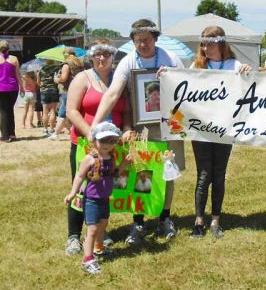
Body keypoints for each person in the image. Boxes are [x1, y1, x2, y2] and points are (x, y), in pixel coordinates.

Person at [91, 19, 184, 245]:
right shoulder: (128, 61)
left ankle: (165, 217)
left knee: (168, 173)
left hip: (171, 125)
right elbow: (113, 93)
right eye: (138, 40)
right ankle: (139, 221)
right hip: (143, 126)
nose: (142, 44)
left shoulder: (170, 58)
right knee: (143, 173)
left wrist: (172, 75)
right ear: (133, 40)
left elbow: (187, 88)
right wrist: (95, 124)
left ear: (155, 39)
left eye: (147, 40)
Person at [65, 38, 130, 255]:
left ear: (113, 56)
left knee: (105, 188)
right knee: (83, 186)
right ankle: (73, 236)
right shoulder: (82, 78)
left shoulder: (119, 80)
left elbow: (128, 110)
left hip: (113, 146)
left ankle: (100, 232)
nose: (101, 58)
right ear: (91, 56)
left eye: (106, 54)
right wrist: (91, 134)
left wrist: (127, 129)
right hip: (85, 143)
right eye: (97, 54)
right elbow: (72, 111)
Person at [188, 25, 251, 239]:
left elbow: (248, 87)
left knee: (219, 174)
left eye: (211, 42)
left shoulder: (234, 65)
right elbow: (182, 86)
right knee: (204, 174)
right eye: (203, 43)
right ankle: (198, 220)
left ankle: (215, 219)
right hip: (202, 129)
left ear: (221, 43)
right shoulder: (196, 66)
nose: (206, 47)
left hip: (225, 127)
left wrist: (246, 73)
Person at [64, 122, 128, 274]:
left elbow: (115, 173)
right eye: (103, 141)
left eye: (111, 141)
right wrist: (73, 193)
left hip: (105, 199)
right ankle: (87, 259)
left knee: (103, 224)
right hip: (92, 199)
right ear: (94, 141)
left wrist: (125, 163)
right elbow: (79, 176)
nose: (107, 145)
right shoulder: (90, 159)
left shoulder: (110, 157)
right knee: (92, 229)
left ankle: (98, 248)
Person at [50, 47, 84, 140]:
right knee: (73, 112)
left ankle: (55, 134)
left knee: (62, 112)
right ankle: (72, 130)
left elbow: (64, 78)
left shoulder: (66, 65)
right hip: (78, 90)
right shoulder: (80, 64)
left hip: (66, 91)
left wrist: (57, 79)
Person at [0, 40, 23, 142]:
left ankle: (5, 136)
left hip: (1, 88)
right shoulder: (14, 59)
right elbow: (18, 75)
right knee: (10, 110)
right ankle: (12, 133)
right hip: (13, 88)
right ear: (9, 48)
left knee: (3, 111)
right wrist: (22, 87)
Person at [37, 59, 61, 137]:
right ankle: (51, 129)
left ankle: (45, 129)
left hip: (44, 91)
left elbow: (38, 82)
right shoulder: (57, 68)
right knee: (53, 110)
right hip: (54, 90)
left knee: (45, 111)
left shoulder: (41, 69)